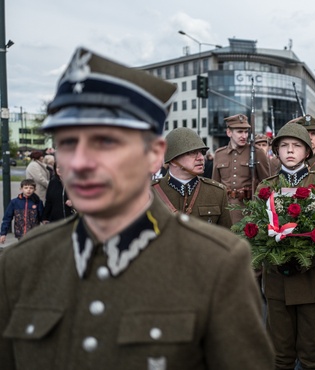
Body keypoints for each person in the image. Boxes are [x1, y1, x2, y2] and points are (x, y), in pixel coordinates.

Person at [0, 47, 274, 369]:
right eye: (67, 142)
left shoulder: (217, 264)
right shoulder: (21, 264)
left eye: (106, 142)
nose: (81, 163)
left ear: (154, 155)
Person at [257, 122, 315, 370]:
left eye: (297, 146)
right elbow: (256, 229)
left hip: (313, 278)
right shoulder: (265, 187)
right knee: (279, 353)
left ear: (307, 152)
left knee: (314, 352)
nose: (290, 151)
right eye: (284, 146)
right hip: (278, 280)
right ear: (276, 151)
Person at [153, 127, 232, 227]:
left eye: (201, 152)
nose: (200, 158)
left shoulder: (217, 192)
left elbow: (225, 238)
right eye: (191, 153)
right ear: (173, 160)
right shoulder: (151, 192)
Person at [212, 114, 271, 224]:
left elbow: (267, 183)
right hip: (225, 210)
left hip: (248, 211)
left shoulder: (257, 152)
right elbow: (215, 186)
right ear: (229, 132)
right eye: (240, 132)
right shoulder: (219, 154)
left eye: (246, 132)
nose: (244, 136)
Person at [0, 179, 43, 243]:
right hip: (20, 234)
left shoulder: (38, 202)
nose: (28, 190)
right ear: (21, 189)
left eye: (31, 188)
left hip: (34, 233)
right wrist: (3, 233)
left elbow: (43, 217)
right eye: (26, 188)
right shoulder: (14, 202)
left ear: (34, 190)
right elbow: (7, 218)